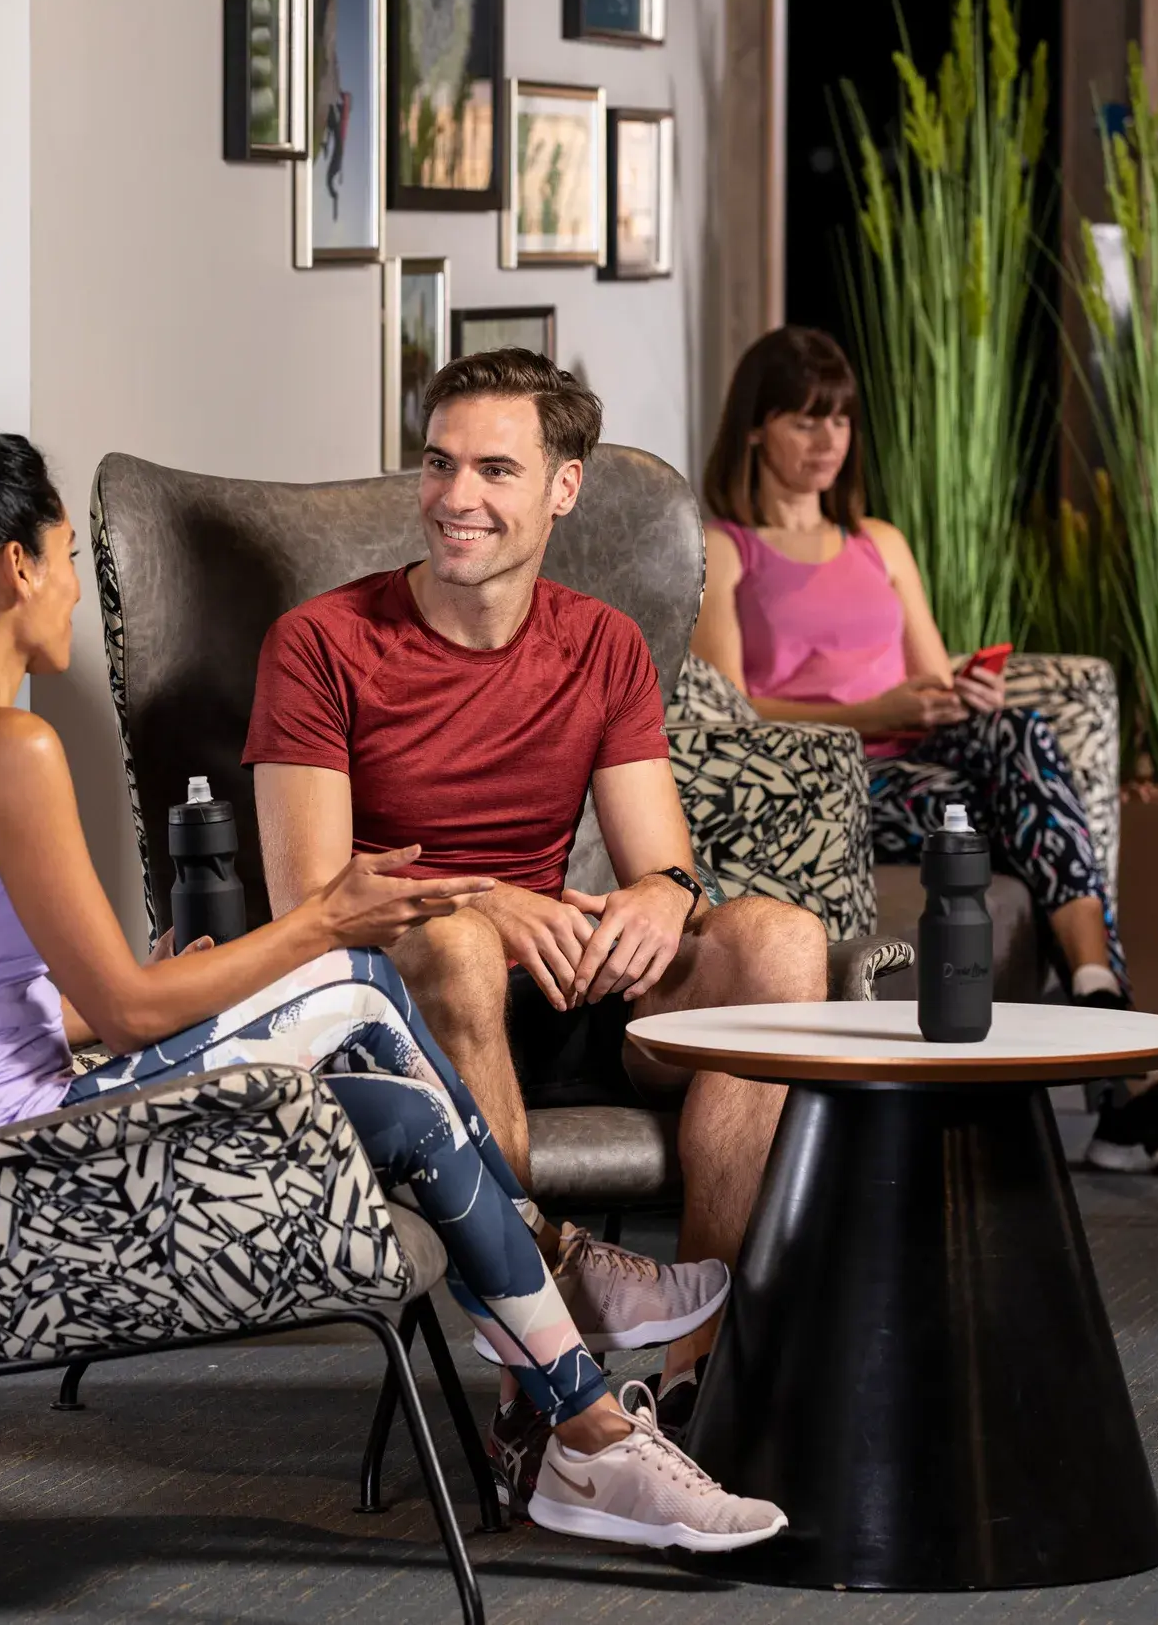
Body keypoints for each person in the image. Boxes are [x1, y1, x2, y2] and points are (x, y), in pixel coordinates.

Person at [0, 431, 785, 1552]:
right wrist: (319, 925)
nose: (75, 585)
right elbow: (125, 1014)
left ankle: (586, 1433)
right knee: (359, 983)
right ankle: (562, 1281)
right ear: (14, 568)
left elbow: (9, 1006)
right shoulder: (3, 749)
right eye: (68, 555)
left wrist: (197, 973)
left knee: (397, 1107)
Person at [244, 350, 834, 1496]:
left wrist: (662, 894)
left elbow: (660, 858)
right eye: (439, 464)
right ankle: (543, 1390)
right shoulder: (319, 642)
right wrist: (481, 897)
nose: (455, 496)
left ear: (565, 487)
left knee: (780, 941)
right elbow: (310, 906)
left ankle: (694, 1376)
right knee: (464, 940)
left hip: (560, 989)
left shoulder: (602, 642)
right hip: (405, 1009)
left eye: (495, 470)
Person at [690, 325, 1158, 1179]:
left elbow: (929, 671)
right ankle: (1122, 1060)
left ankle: (1099, 995)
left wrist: (962, 691)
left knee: (1016, 731)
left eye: (839, 420)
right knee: (1022, 810)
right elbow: (735, 708)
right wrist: (872, 711)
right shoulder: (727, 548)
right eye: (806, 420)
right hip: (832, 787)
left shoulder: (878, 540)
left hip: (923, 756)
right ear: (757, 428)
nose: (828, 440)